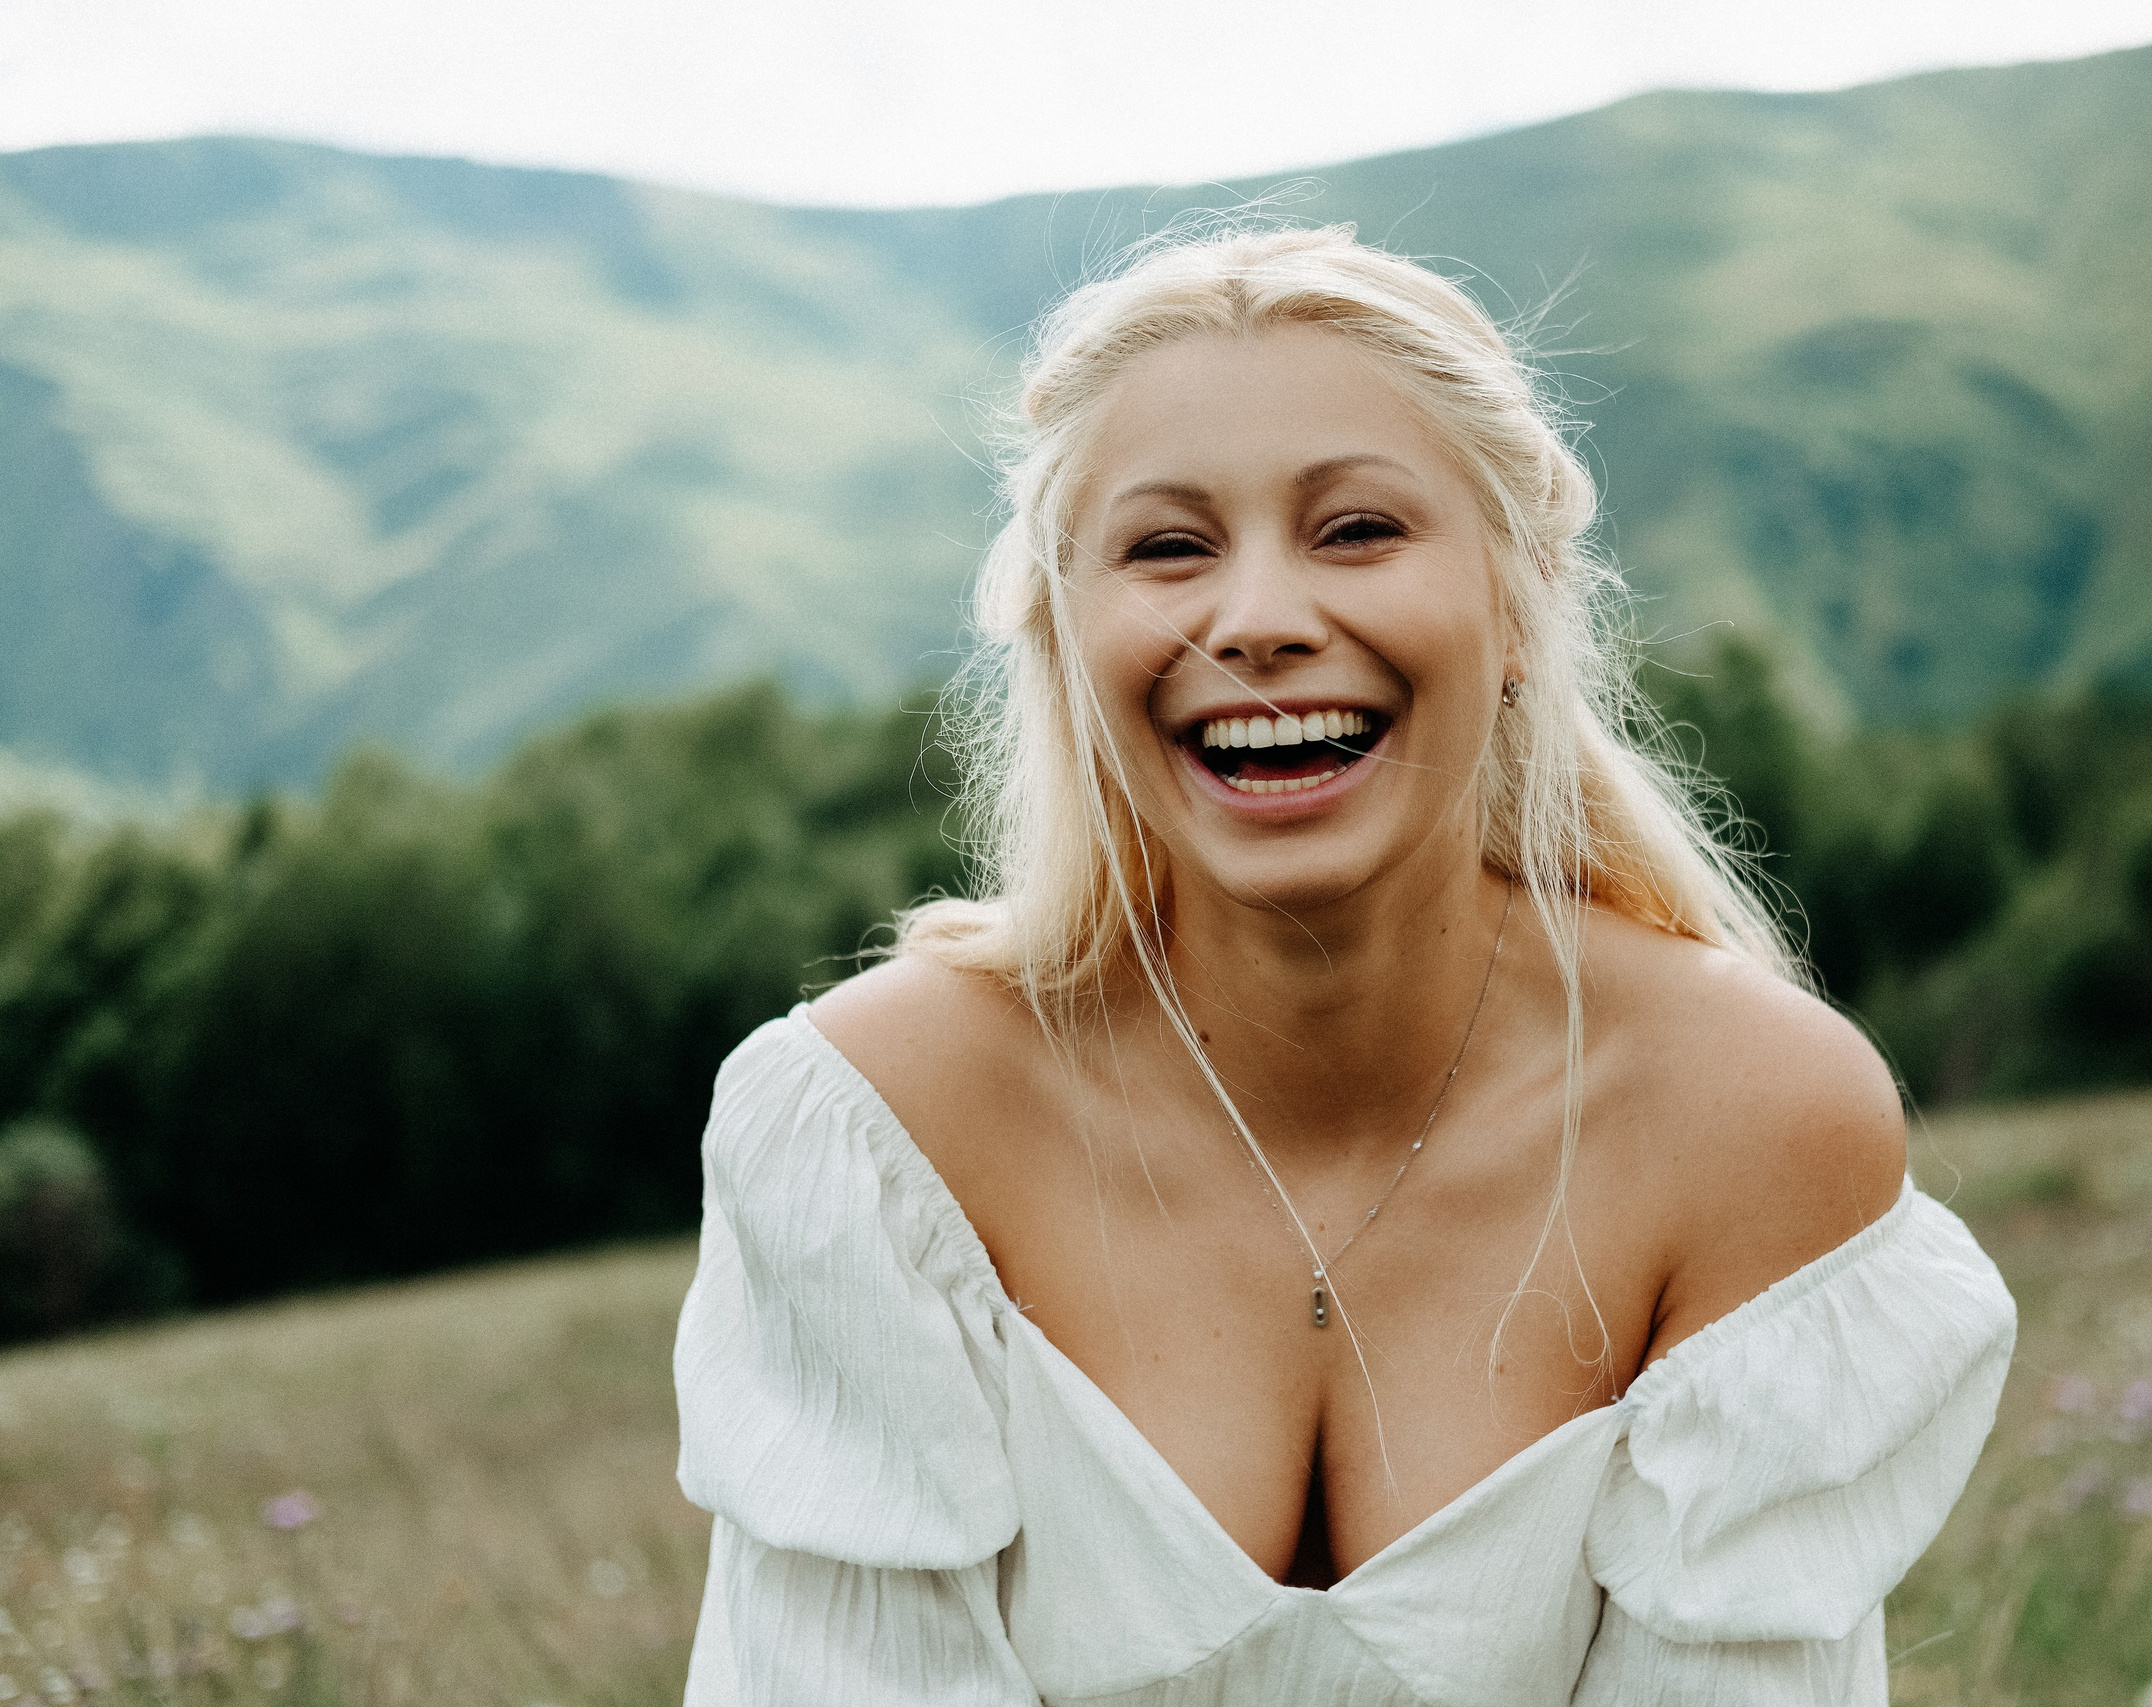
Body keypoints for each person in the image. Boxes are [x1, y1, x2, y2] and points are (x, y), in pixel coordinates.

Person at [672, 224, 2015, 1705]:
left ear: (1517, 602)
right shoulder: (876, 1132)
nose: (1257, 623)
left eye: (1359, 530)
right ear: (1065, 635)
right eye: (1168, 546)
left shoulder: (1759, 1119)